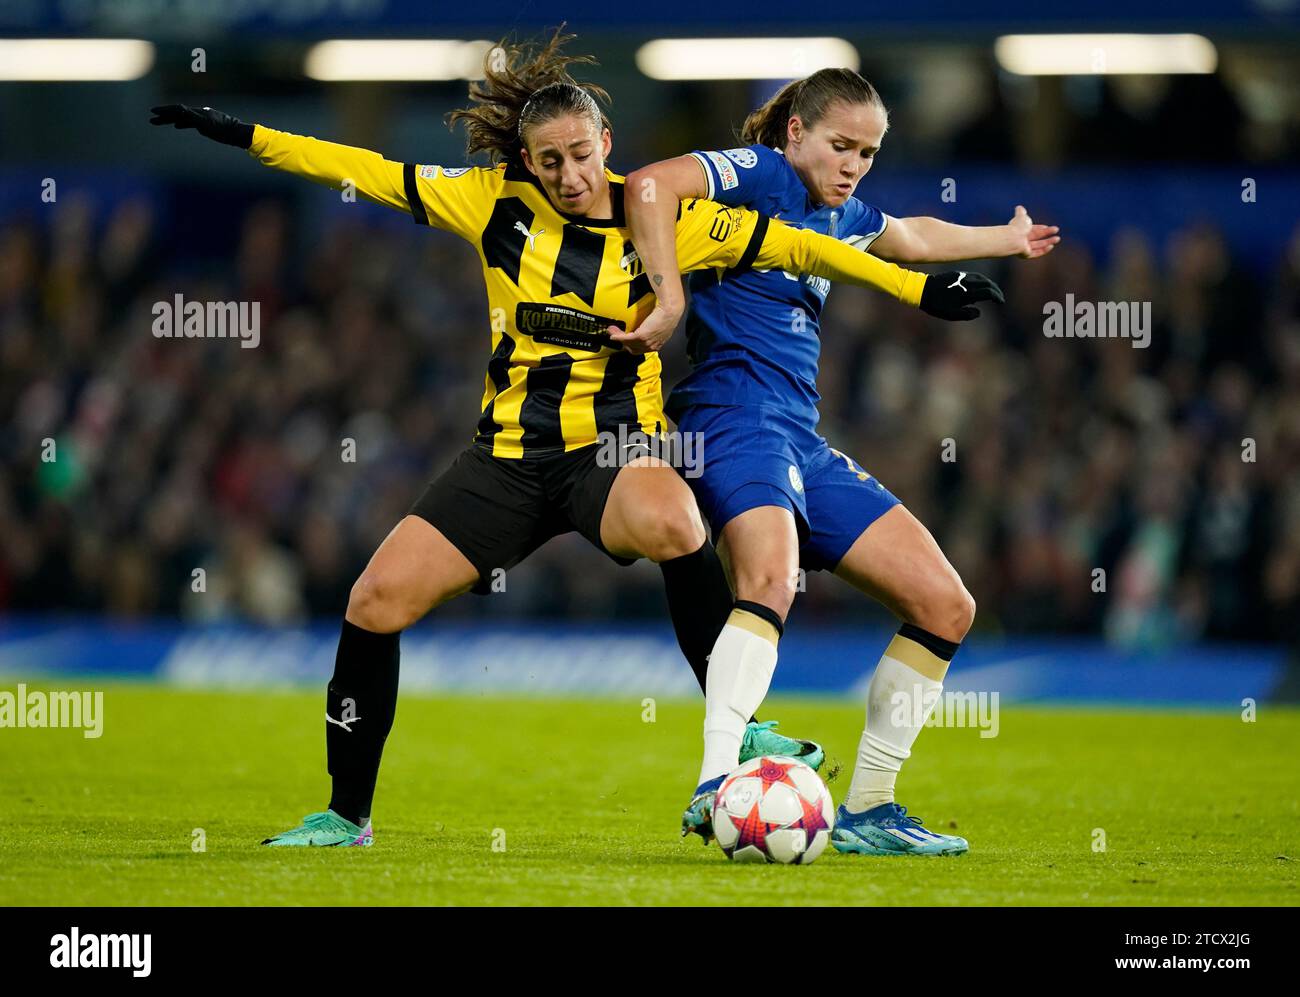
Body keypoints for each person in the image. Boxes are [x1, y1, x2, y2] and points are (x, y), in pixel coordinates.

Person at [151, 34, 999, 847]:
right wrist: (244, 134)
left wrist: (918, 293)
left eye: (582, 154)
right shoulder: (491, 205)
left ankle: (736, 734)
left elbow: (799, 244)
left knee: (678, 523)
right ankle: (345, 814)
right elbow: (361, 170)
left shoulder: (665, 218)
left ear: (607, 142)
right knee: (373, 602)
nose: (569, 174)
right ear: (528, 161)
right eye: (549, 160)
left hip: (615, 451)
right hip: (508, 460)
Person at [619, 68, 1050, 855]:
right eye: (840, 145)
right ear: (795, 133)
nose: (852, 164)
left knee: (946, 604)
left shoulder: (839, 215)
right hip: (727, 420)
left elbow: (912, 235)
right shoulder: (759, 175)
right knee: (771, 581)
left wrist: (1005, 240)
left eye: (869, 153)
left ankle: (872, 809)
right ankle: (717, 780)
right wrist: (668, 294)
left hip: (800, 438)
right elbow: (649, 183)